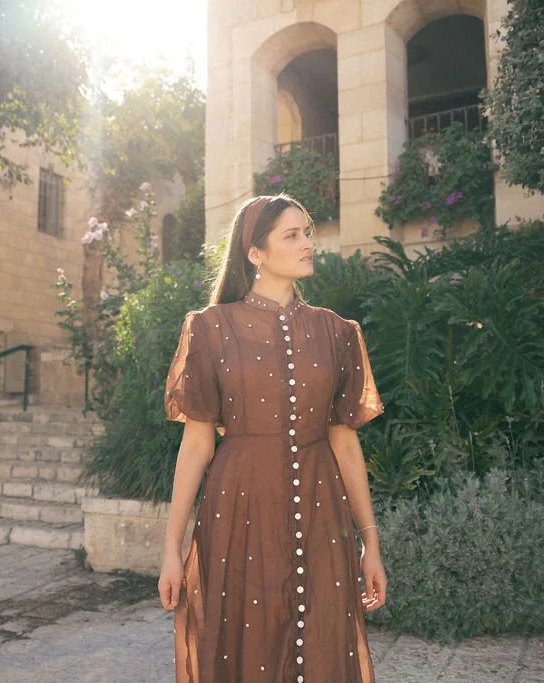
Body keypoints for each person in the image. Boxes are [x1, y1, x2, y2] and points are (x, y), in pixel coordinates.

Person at [159, 194, 388, 682]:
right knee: (245, 645)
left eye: (307, 231)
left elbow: (345, 443)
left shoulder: (336, 333)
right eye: (292, 234)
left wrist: (371, 543)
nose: (308, 243)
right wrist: (171, 550)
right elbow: (197, 444)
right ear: (255, 253)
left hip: (322, 512)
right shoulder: (210, 329)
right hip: (237, 512)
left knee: (325, 646)